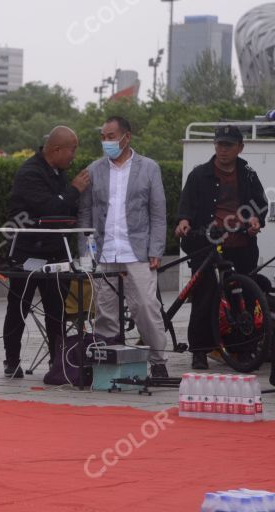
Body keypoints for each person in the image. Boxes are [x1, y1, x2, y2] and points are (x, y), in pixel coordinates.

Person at [77, 116, 169, 377]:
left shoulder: (149, 168)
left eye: (111, 136)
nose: (106, 141)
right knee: (105, 311)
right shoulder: (94, 170)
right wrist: (85, 252)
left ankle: (158, 361)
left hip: (137, 252)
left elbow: (158, 213)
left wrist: (156, 250)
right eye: (103, 137)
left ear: (126, 137)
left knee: (146, 308)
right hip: (104, 252)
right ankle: (111, 361)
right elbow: (84, 214)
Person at [175, 125, 267, 369]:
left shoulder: (247, 173)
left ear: (240, 147)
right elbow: (185, 207)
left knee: (243, 298)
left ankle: (243, 349)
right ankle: (199, 351)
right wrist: (184, 221)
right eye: (219, 144)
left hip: (241, 244)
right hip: (206, 244)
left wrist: (256, 220)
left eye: (228, 145)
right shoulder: (199, 175)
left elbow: (261, 204)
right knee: (204, 296)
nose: (223, 149)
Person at [2, 126, 90, 378]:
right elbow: (50, 208)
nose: (74, 155)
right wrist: (73, 190)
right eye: (72, 149)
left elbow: (65, 212)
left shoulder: (58, 173)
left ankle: (57, 360)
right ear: (56, 149)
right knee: (19, 307)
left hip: (55, 252)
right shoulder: (30, 173)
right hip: (27, 252)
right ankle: (11, 360)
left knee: (57, 309)